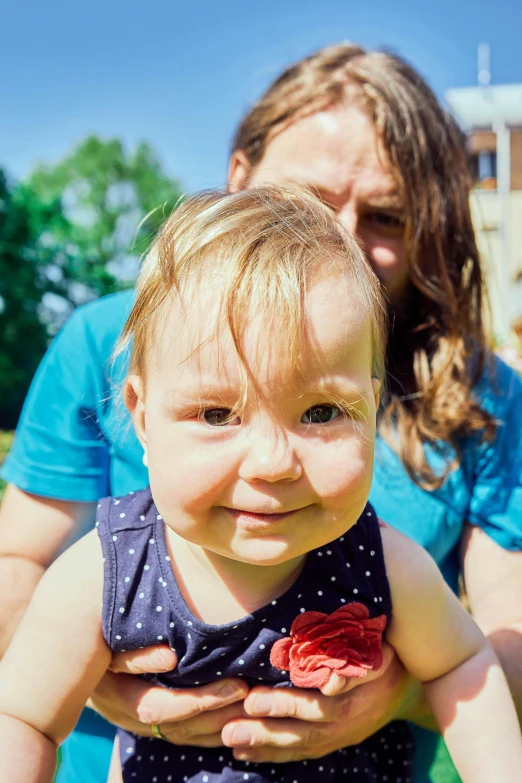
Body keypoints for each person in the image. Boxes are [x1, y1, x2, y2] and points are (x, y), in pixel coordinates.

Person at [1, 43, 522, 783]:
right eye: (216, 412)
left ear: (371, 406)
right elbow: (17, 642)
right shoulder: (105, 362)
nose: (274, 460)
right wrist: (74, 670)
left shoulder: (396, 530)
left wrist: (398, 692)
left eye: (384, 216)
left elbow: (481, 655)